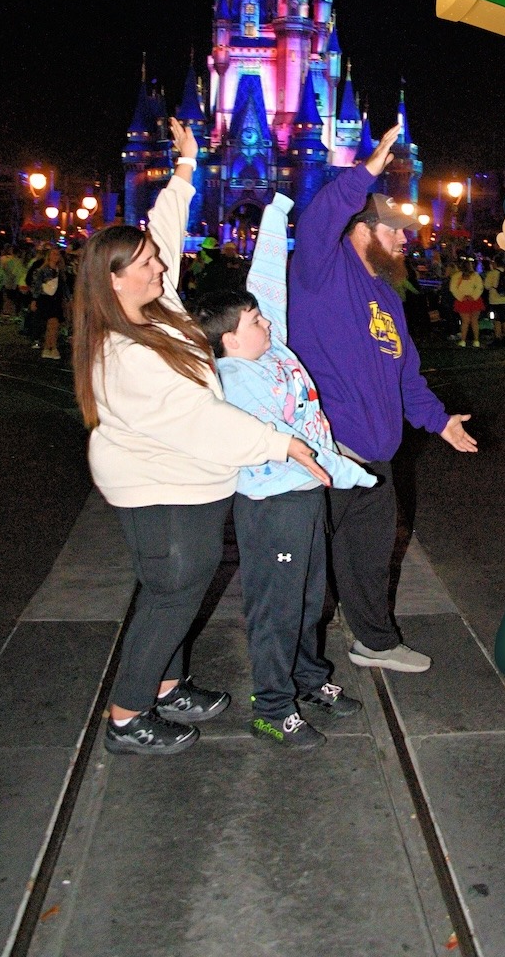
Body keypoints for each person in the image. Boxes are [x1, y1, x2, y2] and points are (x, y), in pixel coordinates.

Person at [71, 117, 329, 758]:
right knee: (171, 595)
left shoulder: (153, 306)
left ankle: (166, 684)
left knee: (181, 589)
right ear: (114, 279)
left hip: (189, 478)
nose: (162, 264)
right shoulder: (124, 350)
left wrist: (185, 169)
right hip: (160, 485)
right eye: (148, 264)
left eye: (156, 259)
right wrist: (279, 443)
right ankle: (127, 715)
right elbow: (196, 419)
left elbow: (160, 232)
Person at [288, 121, 478, 673]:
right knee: (303, 567)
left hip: (377, 458)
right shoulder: (320, 272)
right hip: (327, 454)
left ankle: (373, 641)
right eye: (394, 229)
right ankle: (293, 670)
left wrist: (439, 421)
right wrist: (366, 171)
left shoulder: (387, 296)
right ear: (361, 228)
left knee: (368, 561)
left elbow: (406, 377)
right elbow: (319, 217)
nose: (403, 239)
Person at [192, 194, 377, 752]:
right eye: (255, 321)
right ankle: (272, 707)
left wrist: (275, 216)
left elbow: (268, 281)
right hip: (273, 507)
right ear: (229, 339)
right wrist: (345, 470)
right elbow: (285, 440)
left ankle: (308, 677)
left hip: (305, 496)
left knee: (309, 596)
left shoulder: (272, 352)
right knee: (276, 605)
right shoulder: (233, 380)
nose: (268, 320)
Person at [31, 246, 69, 359]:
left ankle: (49, 348)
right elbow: (37, 285)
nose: (56, 256)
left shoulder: (60, 270)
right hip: (46, 299)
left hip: (56, 299)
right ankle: (52, 348)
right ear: (49, 256)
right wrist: (34, 299)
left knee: (53, 325)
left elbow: (64, 286)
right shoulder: (43, 270)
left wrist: (68, 298)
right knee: (52, 323)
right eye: (53, 254)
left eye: (57, 254)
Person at [449, 253, 485, 347]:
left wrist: (462, 297)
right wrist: (473, 296)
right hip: (475, 300)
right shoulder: (476, 275)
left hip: (462, 301)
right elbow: (480, 287)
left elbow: (453, 288)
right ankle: (476, 341)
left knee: (465, 321)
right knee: (474, 321)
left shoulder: (456, 276)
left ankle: (463, 341)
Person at [483, 253, 505, 347]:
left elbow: (486, 286)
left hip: (495, 300)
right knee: (504, 320)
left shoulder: (492, 274)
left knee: (497, 320)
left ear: (495, 263)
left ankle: (497, 338)